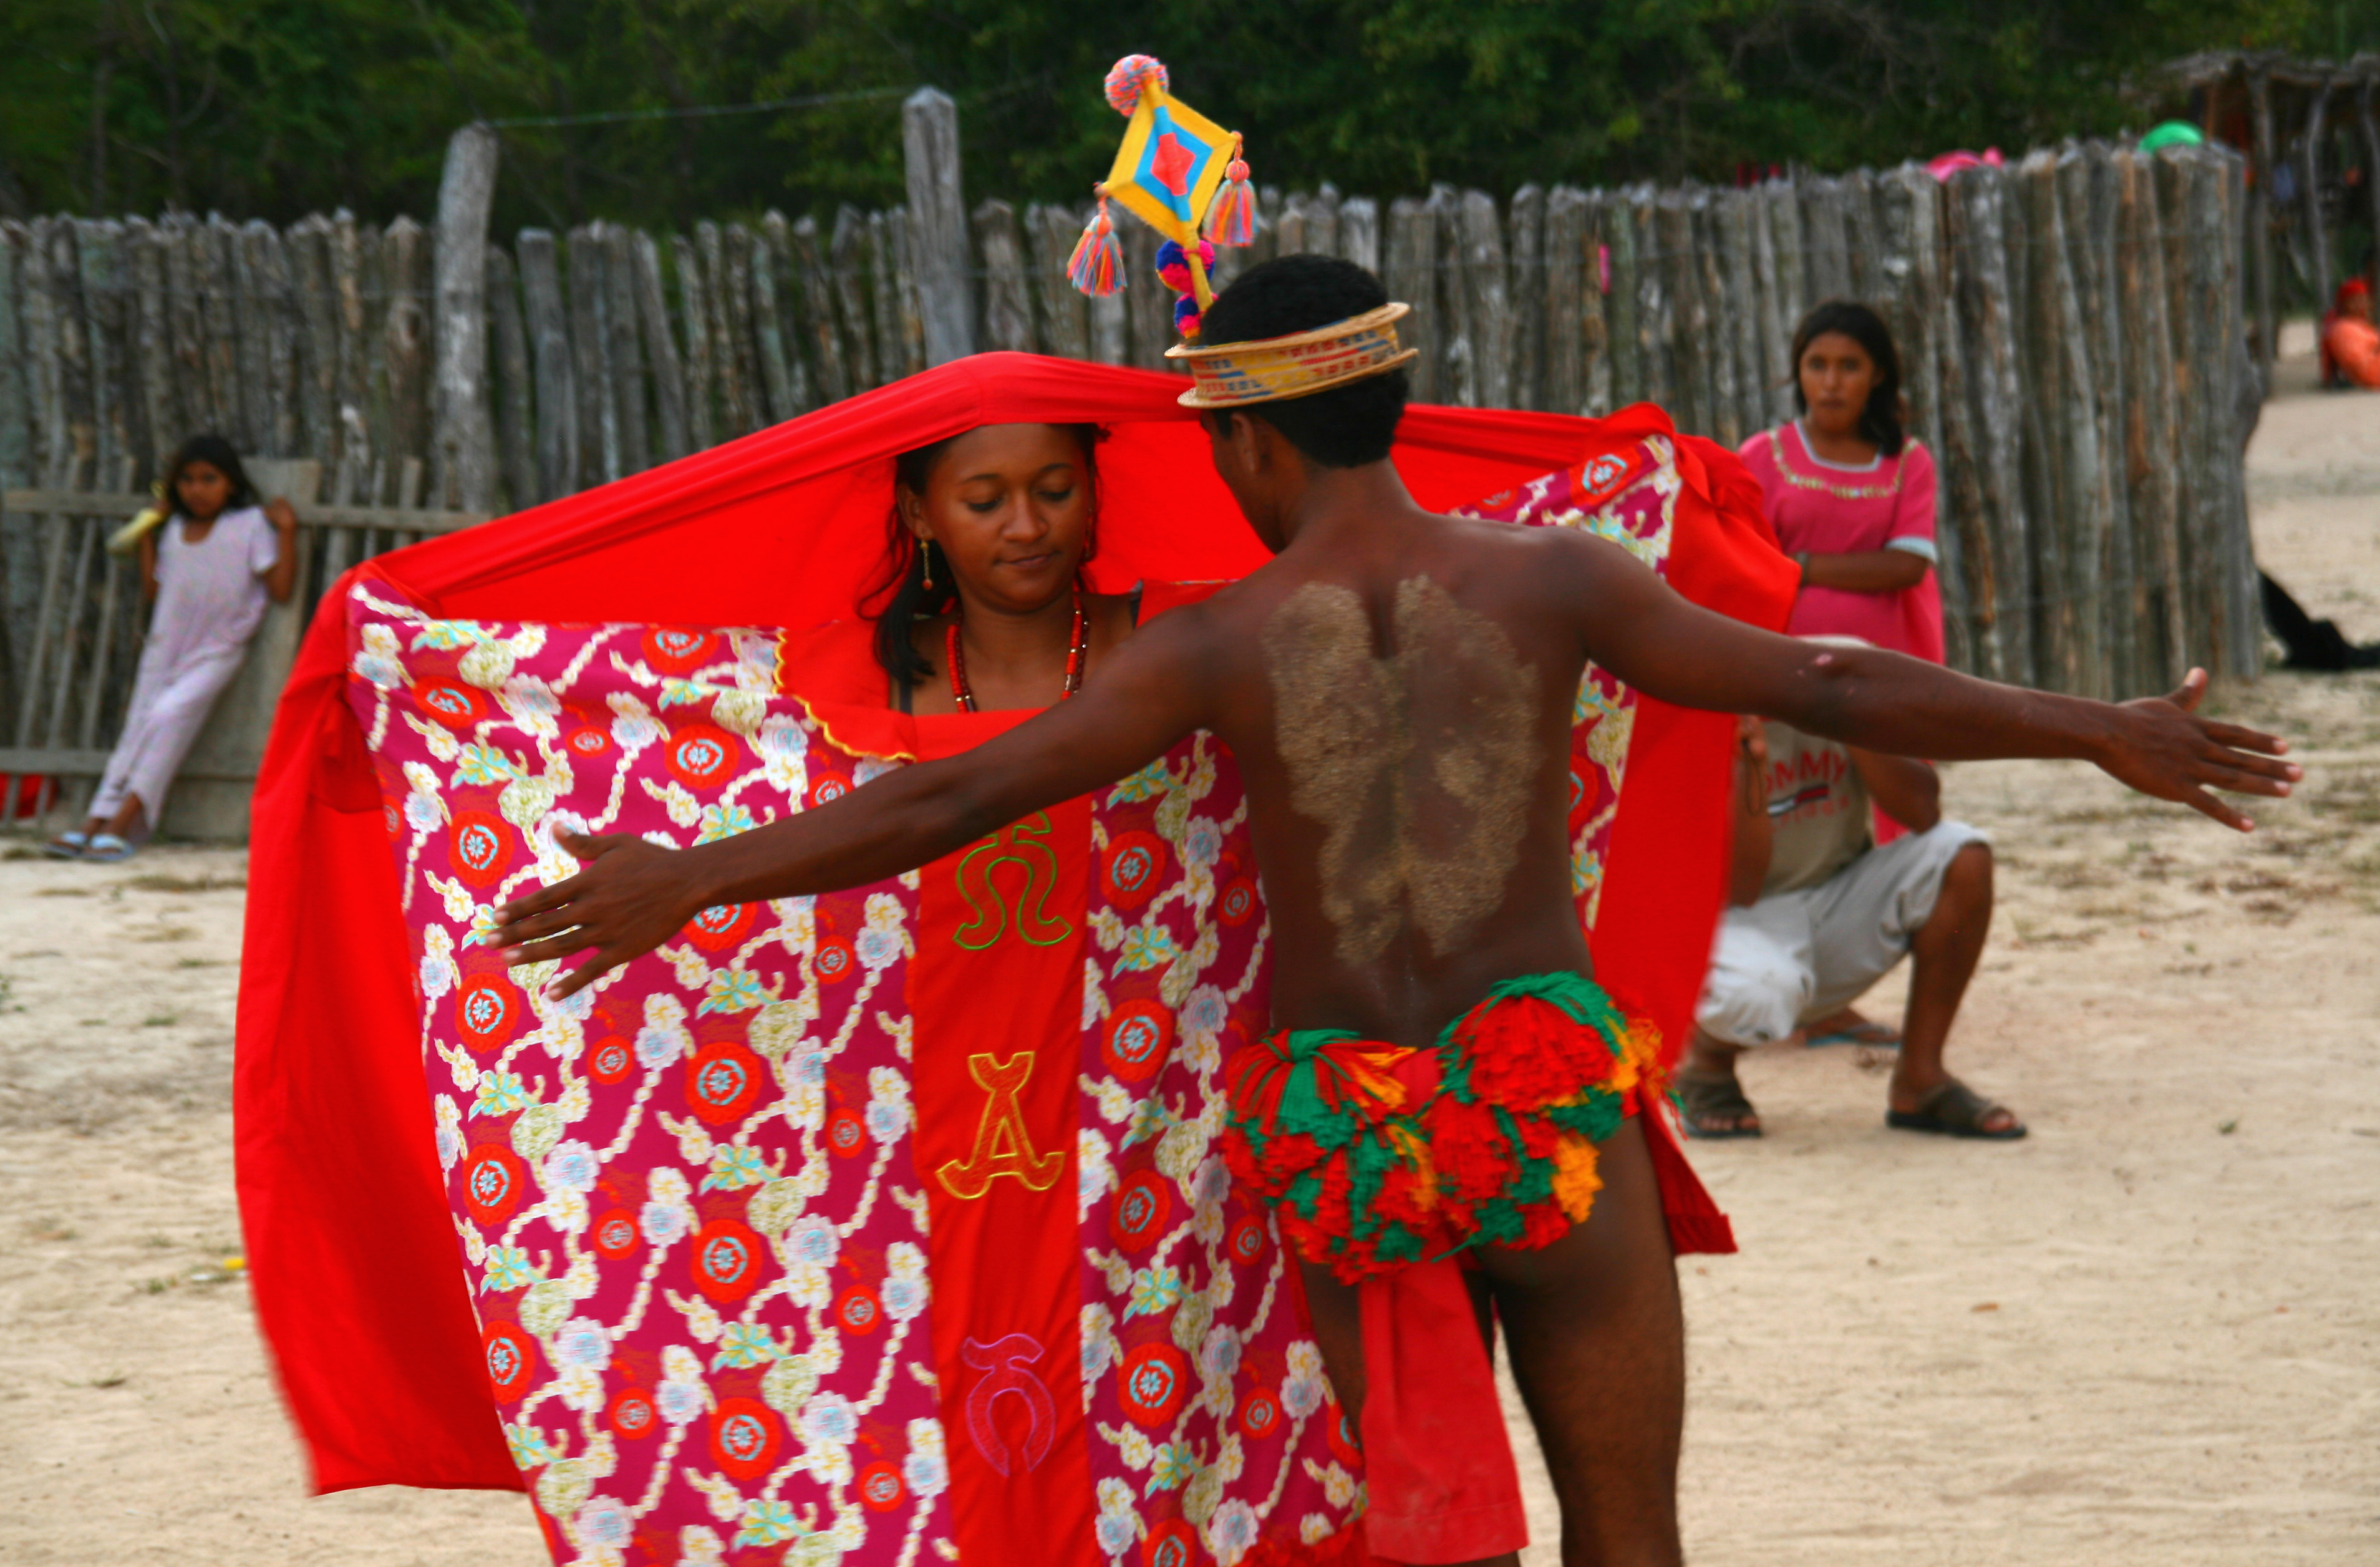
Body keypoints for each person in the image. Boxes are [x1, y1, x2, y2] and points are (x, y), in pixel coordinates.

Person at [491, 255, 2296, 1566]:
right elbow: (1829, 679)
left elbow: (957, 789)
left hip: (1342, 1118)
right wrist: (2098, 728)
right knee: (1625, 1527)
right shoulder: (1561, 579)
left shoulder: (1214, 645)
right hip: (1552, 1107)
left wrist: (692, 875)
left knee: (1426, 1532)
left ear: (1249, 447)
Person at [1676, 676, 2012, 1141]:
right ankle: (1707, 1063)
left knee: (1963, 854)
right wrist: (1750, 767)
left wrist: (1850, 718)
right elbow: (1743, 886)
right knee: (1759, 993)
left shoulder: (1837, 667)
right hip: (1731, 916)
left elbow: (1921, 812)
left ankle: (1921, 1078)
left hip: (1833, 894)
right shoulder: (1694, 687)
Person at [46, 435, 296, 860]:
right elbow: (154, 591)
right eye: (187, 480)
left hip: (218, 651)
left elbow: (281, 589)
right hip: (164, 650)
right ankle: (94, 823)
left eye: (209, 479)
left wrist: (287, 532)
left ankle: (124, 824)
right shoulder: (175, 531)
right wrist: (147, 532)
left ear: (231, 483)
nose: (197, 489)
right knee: (137, 731)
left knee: (167, 717)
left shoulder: (251, 525)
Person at [1739, 301, 1942, 666]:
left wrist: (1799, 567)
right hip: (1783, 677)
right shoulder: (1762, 457)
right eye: (1817, 365)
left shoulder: (1910, 462)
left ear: (1878, 374)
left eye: (1849, 366)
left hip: (1890, 678)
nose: (1831, 383)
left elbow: (1907, 566)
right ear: (1798, 370)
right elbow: (1746, 568)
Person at [2320, 277, 2380, 391]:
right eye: (2354, 301)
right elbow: (2357, 363)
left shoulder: (2358, 323)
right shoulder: (2343, 328)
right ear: (2344, 304)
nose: (2360, 304)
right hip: (2372, 373)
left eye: (2363, 300)